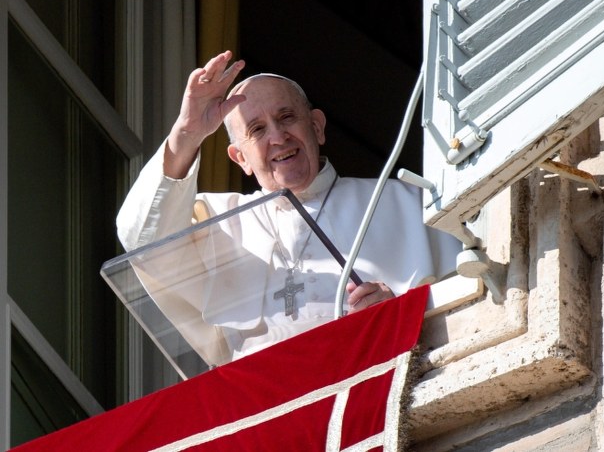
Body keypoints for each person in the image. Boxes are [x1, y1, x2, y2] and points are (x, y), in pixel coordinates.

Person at [116, 50, 460, 366]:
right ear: (241, 159)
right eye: (257, 129)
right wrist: (187, 133)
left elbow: (467, 307)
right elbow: (141, 237)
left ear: (317, 127)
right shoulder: (218, 221)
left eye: (287, 117)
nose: (278, 137)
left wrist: (401, 311)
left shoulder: (405, 202)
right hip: (263, 407)